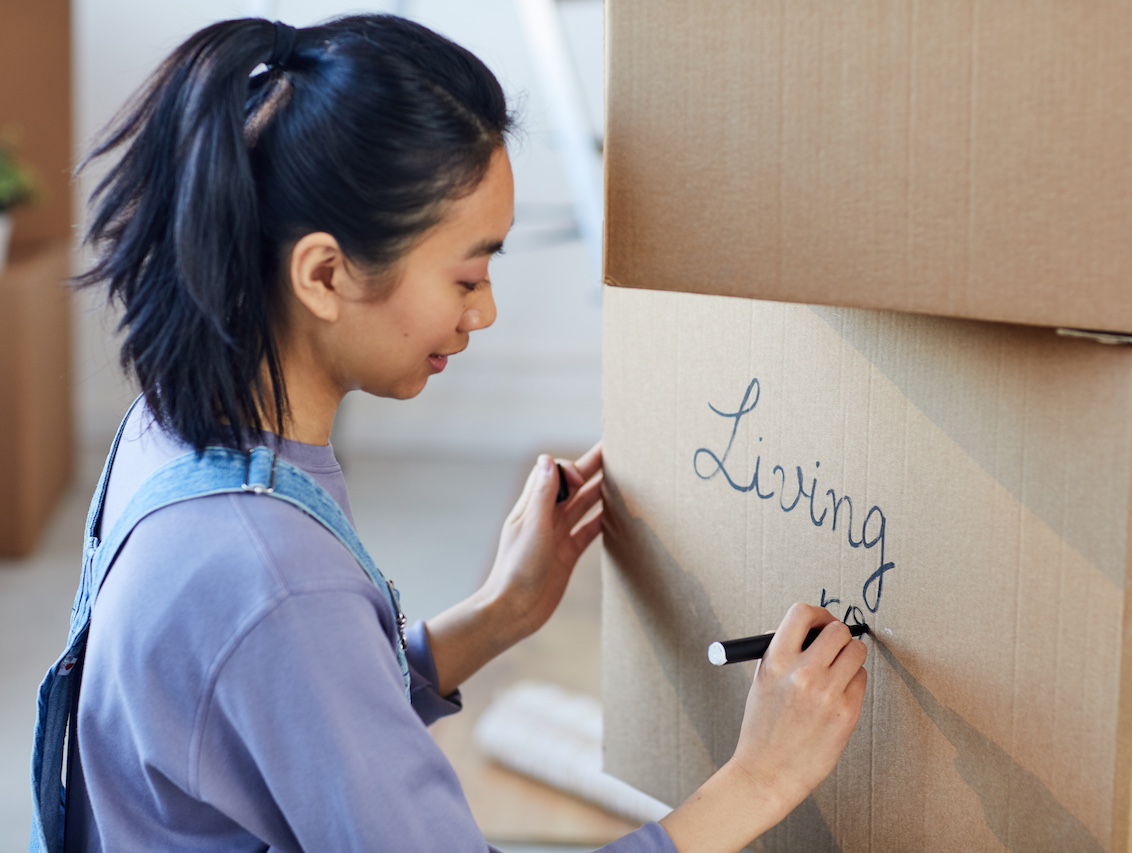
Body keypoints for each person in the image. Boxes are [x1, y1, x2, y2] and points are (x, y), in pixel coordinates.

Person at [29, 15, 869, 853]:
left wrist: (498, 613)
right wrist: (761, 779)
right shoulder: (272, 574)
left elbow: (290, 704)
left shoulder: (173, 429)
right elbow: (291, 639)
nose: (486, 311)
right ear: (324, 273)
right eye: (467, 275)